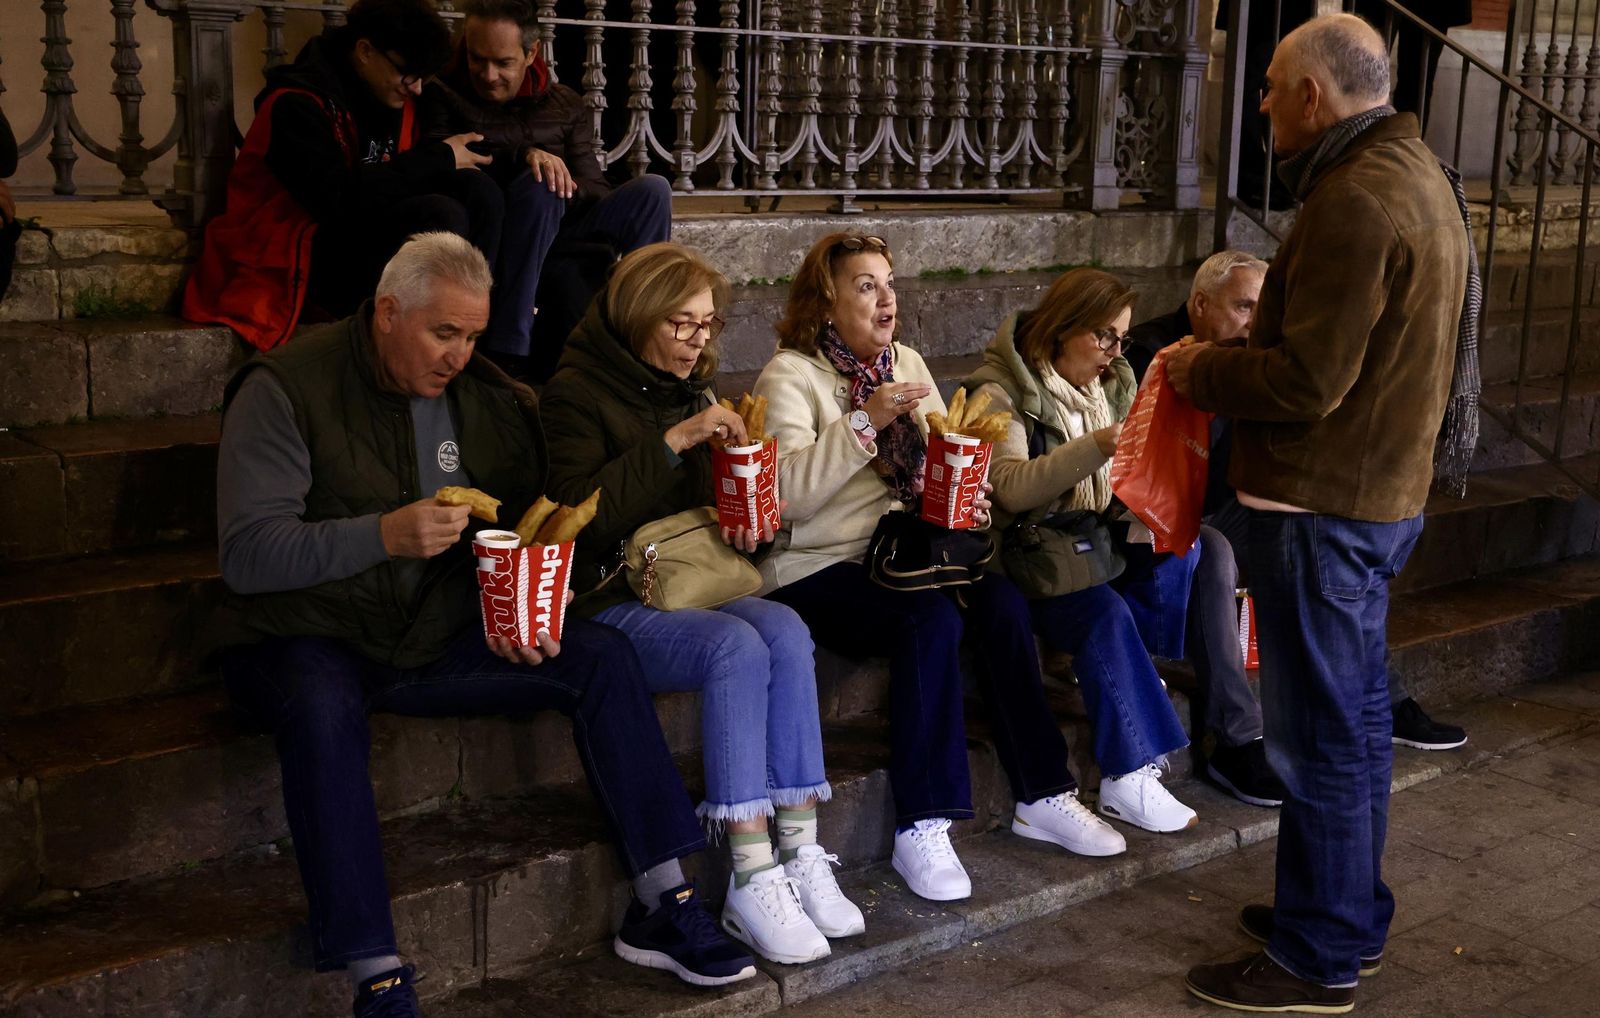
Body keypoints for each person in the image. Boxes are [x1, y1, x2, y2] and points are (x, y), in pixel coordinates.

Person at [210, 232, 757, 1016]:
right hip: (307, 631)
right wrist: (382, 534)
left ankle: (663, 901)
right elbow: (248, 556)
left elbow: (529, 529)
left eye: (473, 335)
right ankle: (377, 973)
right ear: (388, 312)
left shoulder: (486, 397)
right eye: (444, 333)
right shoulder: (287, 385)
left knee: (599, 655)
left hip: (431, 633)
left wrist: (518, 602)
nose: (460, 355)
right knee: (322, 708)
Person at [1172, 14, 1474, 1012]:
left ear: (1313, 96)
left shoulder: (1357, 199)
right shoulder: (1412, 171)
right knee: (1342, 726)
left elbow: (1306, 381)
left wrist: (1195, 364)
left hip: (1327, 508)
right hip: (1368, 499)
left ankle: (1316, 956)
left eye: (1267, 85)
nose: (1258, 102)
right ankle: (1341, 912)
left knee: (1323, 736)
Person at [752, 233, 1125, 904]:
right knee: (926, 622)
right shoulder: (791, 375)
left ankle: (1043, 791)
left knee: (1003, 603)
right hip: (821, 562)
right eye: (865, 285)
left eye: (889, 283)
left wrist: (967, 491)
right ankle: (923, 821)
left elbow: (949, 456)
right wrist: (864, 422)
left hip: (911, 553)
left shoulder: (910, 363)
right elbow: (787, 501)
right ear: (824, 300)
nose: (884, 297)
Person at [540, 242, 863, 966]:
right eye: (681, 324)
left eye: (708, 326)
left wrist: (746, 514)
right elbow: (571, 514)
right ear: (638, 315)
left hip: (686, 582)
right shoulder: (574, 392)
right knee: (734, 646)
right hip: (605, 596)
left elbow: (709, 527)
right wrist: (675, 442)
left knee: (783, 625)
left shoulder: (696, 389)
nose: (697, 342)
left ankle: (799, 853)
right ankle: (749, 875)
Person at [1130, 251, 1467, 778]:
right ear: (1200, 303)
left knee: (1322, 526)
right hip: (1163, 517)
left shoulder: (1258, 355)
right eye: (1243, 307)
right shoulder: (1152, 352)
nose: (1255, 323)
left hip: (1234, 504)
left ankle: (1384, 698)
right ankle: (1235, 738)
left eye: (1264, 311)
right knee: (1213, 549)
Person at [966, 267, 1201, 836]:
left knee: (1193, 548)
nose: (1114, 352)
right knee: (1102, 610)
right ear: (1061, 328)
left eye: (1122, 338)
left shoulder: (1109, 385)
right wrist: (1098, 445)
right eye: (1103, 336)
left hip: (1083, 542)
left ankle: (1143, 742)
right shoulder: (1000, 389)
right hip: (1019, 555)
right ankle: (1130, 769)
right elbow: (1013, 489)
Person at [183, 0, 502, 351]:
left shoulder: (399, 94)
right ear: (365, 51)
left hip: (362, 227)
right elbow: (337, 200)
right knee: (441, 215)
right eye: (409, 74)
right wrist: (437, 158)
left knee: (480, 192)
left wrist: (531, 154)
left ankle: (478, 339)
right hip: (299, 249)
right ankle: (425, 341)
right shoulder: (296, 104)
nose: (417, 89)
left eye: (423, 78)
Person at [419, 0, 672, 378]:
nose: (488, 75)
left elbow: (597, 188)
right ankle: (510, 348)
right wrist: (524, 157)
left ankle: (644, 325)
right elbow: (443, 161)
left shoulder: (565, 103)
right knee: (540, 185)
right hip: (504, 231)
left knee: (654, 189)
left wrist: (562, 178)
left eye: (503, 63)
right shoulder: (442, 94)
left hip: (567, 227)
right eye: (477, 59)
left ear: (531, 53)